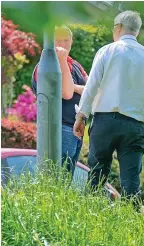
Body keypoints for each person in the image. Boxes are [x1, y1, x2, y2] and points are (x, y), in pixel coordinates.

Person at [73, 11, 144, 198]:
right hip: (135, 125)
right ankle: (131, 223)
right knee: (131, 183)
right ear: (136, 31)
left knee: (97, 175)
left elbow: (92, 86)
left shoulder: (107, 50)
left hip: (105, 122)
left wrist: (81, 116)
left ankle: (94, 217)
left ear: (118, 28)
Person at [32, 25, 88, 176]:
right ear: (50, 42)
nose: (63, 45)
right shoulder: (46, 67)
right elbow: (67, 93)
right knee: (58, 177)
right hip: (60, 129)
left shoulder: (75, 64)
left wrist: (74, 86)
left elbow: (92, 90)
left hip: (76, 128)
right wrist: (62, 60)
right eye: (58, 40)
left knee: (66, 177)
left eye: (66, 40)